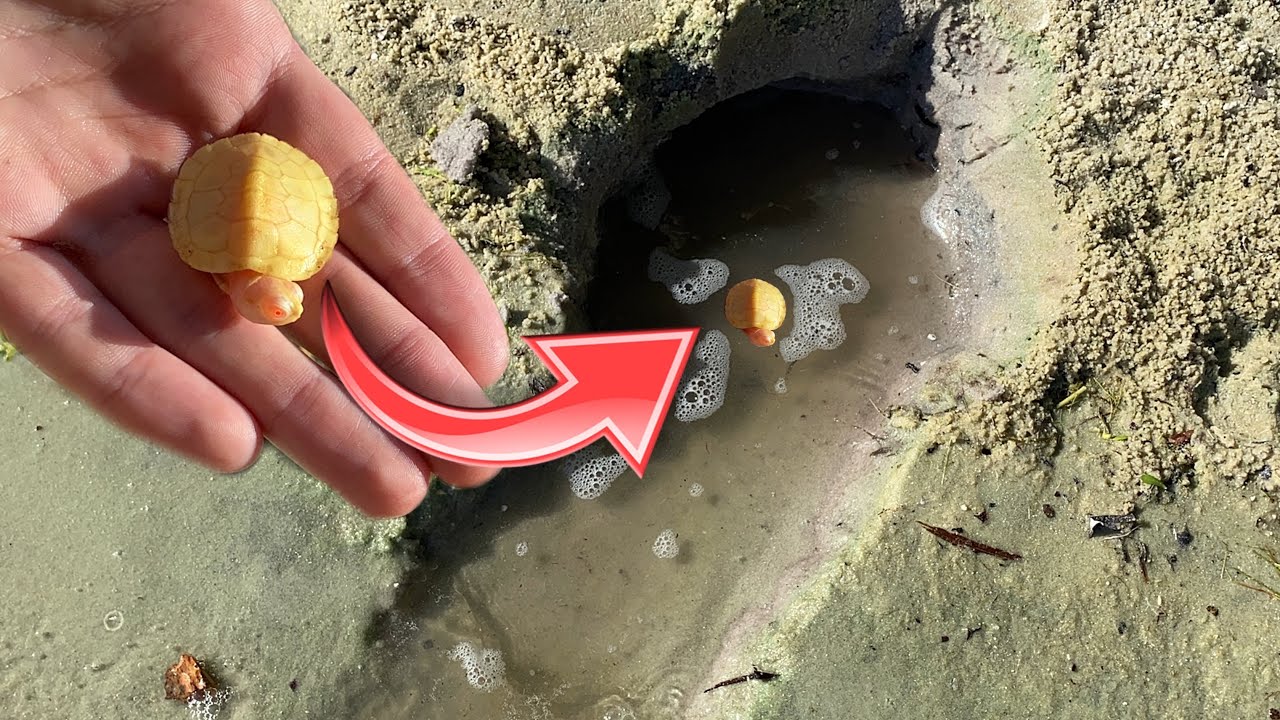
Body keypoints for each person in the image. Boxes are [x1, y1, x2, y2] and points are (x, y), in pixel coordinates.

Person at [0, 0, 511, 516]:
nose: (282, 305)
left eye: (279, 303)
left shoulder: (217, 252)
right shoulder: (205, 251)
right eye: (283, 302)